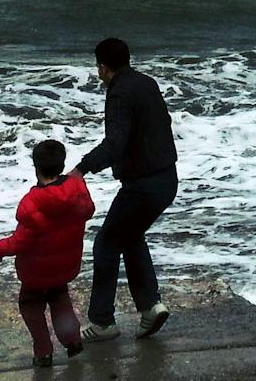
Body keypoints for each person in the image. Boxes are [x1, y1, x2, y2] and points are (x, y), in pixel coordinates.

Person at [71, 37, 178, 342]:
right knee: (130, 236)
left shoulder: (118, 93)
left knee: (106, 244)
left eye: (98, 67)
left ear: (103, 67)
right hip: (167, 179)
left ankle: (103, 322)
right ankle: (150, 307)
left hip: (142, 187)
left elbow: (115, 144)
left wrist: (82, 168)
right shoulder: (147, 83)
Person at [0, 138, 95, 369]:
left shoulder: (32, 203)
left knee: (30, 305)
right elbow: (88, 212)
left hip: (35, 274)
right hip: (64, 266)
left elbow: (19, 242)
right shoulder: (77, 191)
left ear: (36, 167)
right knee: (60, 300)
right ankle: (72, 340)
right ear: (61, 163)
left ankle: (43, 351)